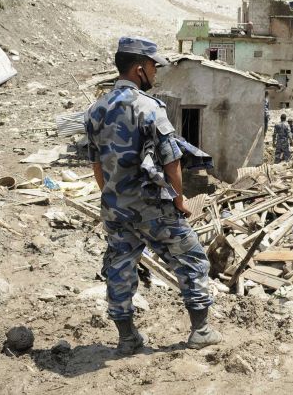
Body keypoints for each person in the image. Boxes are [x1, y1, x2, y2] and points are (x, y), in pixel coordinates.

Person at [84, 36, 222, 355]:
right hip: (153, 209)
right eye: (153, 67)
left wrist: (110, 196)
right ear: (139, 69)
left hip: (116, 209)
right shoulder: (149, 107)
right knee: (192, 259)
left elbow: (96, 163)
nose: (155, 73)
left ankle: (127, 338)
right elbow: (171, 159)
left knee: (119, 267)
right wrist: (178, 199)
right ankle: (200, 330)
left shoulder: (95, 110)